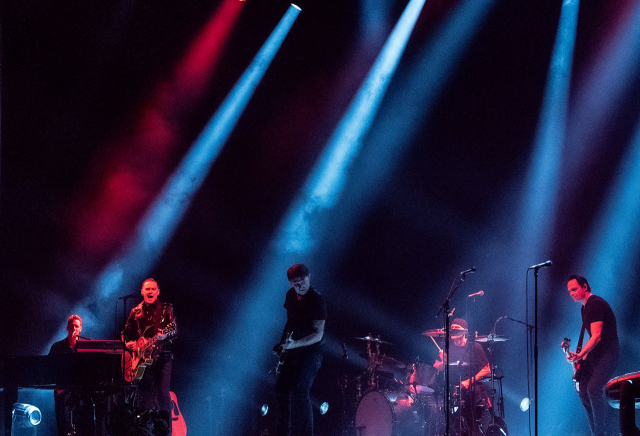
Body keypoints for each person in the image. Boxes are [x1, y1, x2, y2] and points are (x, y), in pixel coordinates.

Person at [274, 264, 327, 436]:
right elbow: (290, 323)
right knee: (281, 389)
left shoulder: (317, 299)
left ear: (309, 277)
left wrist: (294, 344)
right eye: (295, 283)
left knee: (300, 391)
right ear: (290, 283)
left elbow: (318, 334)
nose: (300, 285)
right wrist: (282, 345)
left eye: (303, 280)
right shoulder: (290, 296)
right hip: (293, 349)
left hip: (312, 351)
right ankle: (283, 432)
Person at [566, 275, 619, 436]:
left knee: (593, 388)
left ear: (585, 287)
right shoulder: (584, 308)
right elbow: (592, 338)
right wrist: (581, 356)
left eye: (574, 289)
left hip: (608, 353)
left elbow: (596, 336)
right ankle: (597, 432)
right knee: (583, 392)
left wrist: (582, 353)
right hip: (596, 354)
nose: (571, 293)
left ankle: (600, 431)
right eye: (569, 291)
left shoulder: (594, 304)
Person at [124, 278, 177, 432]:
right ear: (142, 292)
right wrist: (128, 343)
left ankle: (166, 431)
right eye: (147, 289)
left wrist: (164, 335)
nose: (150, 291)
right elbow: (126, 332)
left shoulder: (166, 308)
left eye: (153, 289)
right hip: (142, 360)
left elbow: (173, 329)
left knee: (162, 395)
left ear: (158, 292)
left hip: (162, 357)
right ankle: (145, 431)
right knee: (144, 397)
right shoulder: (136, 311)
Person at [49, 315, 91, 436]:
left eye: (76, 327)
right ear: (67, 328)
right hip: (63, 387)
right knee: (61, 417)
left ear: (80, 329)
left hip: (80, 389)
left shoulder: (86, 346)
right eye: (72, 327)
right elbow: (48, 367)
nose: (74, 329)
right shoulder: (57, 347)